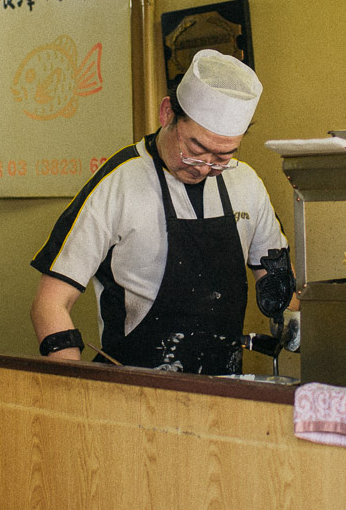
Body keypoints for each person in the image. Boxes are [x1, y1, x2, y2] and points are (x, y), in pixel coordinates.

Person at [29, 49, 291, 375]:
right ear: (167, 113)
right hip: (133, 391)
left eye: (222, 157)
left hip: (223, 390)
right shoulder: (118, 183)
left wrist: (299, 317)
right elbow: (49, 304)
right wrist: (73, 385)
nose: (206, 167)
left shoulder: (246, 184)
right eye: (195, 149)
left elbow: (279, 287)